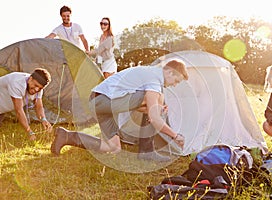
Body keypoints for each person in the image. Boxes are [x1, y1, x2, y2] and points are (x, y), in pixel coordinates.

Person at [51, 59, 188, 161]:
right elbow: (153, 117)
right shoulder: (154, 78)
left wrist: (151, 109)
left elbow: (139, 108)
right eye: (177, 80)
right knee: (157, 102)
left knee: (113, 148)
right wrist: (175, 136)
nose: (175, 85)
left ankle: (67, 136)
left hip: (102, 104)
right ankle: (147, 151)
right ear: (170, 72)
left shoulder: (151, 74)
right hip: (102, 100)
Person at [0, 68, 52, 140]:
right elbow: (19, 110)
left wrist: (43, 119)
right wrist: (29, 132)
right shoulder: (17, 83)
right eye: (36, 85)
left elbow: (39, 106)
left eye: (40, 88)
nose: (36, 90)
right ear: (30, 79)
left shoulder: (38, 90)